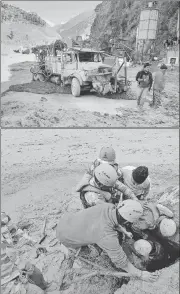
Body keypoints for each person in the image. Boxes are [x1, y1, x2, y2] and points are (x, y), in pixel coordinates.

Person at [56, 200, 159, 282]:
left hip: (66, 221)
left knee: (94, 234)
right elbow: (121, 263)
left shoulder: (109, 207)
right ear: (127, 221)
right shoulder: (107, 236)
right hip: (65, 237)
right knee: (90, 254)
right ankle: (77, 251)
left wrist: (124, 231)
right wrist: (140, 274)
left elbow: (114, 219)